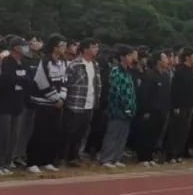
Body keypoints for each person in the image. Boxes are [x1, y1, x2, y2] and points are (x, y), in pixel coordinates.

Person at [26, 34, 68, 174]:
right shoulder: (45, 61)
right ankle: (32, 162)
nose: (65, 48)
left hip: (57, 104)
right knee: (40, 132)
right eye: (62, 45)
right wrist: (55, 98)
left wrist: (62, 97)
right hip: (43, 103)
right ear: (55, 47)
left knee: (53, 133)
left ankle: (47, 161)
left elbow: (64, 81)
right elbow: (41, 81)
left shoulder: (63, 62)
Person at [0, 37, 29, 176]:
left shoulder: (22, 63)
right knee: (2, 136)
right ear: (16, 48)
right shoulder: (6, 61)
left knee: (13, 136)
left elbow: (27, 80)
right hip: (4, 104)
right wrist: (20, 80)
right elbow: (7, 80)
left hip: (18, 104)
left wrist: (20, 80)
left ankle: (6, 162)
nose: (26, 48)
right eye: (23, 45)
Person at [61, 39, 100, 167]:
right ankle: (63, 157)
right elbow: (67, 83)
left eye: (97, 47)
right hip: (75, 103)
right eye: (93, 47)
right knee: (70, 132)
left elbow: (96, 84)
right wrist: (65, 100)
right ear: (85, 49)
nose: (96, 49)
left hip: (89, 103)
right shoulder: (75, 64)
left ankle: (74, 156)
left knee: (82, 132)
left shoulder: (95, 64)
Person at [99, 45, 137, 168]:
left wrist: (132, 106)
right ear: (122, 57)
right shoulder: (115, 71)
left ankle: (116, 158)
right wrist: (125, 106)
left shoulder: (128, 72)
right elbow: (116, 91)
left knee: (123, 135)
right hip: (117, 108)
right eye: (129, 55)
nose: (131, 58)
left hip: (129, 108)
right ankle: (106, 159)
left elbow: (131, 91)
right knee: (113, 134)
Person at [137, 50, 171, 167]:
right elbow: (144, 94)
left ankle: (150, 156)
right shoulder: (150, 75)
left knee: (156, 135)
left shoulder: (165, 76)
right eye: (164, 58)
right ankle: (142, 157)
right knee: (147, 134)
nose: (167, 60)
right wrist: (145, 110)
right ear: (158, 61)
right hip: (150, 111)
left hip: (162, 111)